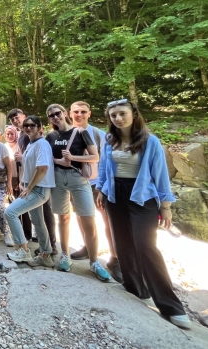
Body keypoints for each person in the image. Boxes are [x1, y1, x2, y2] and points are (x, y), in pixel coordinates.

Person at [98, 99, 190, 329]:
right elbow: (104, 168)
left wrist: (165, 206)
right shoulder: (109, 140)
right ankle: (135, 288)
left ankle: (171, 306)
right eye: (113, 116)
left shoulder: (150, 141)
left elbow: (160, 174)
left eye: (122, 114)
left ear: (134, 114)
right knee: (122, 244)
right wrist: (101, 190)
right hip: (114, 196)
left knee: (145, 246)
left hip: (142, 197)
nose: (118, 119)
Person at [45, 104, 111, 281]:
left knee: (88, 219)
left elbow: (95, 157)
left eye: (58, 113)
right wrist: (58, 160)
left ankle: (94, 261)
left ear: (65, 113)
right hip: (58, 179)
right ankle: (65, 254)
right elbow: (48, 158)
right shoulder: (50, 136)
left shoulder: (81, 132)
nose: (55, 117)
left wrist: (73, 158)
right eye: (51, 116)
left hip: (78, 178)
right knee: (63, 218)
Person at [69, 101, 123, 283]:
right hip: (76, 183)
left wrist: (103, 186)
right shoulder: (68, 133)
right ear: (70, 113)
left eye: (83, 111)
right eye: (76, 111)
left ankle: (115, 258)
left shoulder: (99, 134)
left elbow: (108, 162)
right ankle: (87, 247)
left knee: (108, 221)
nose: (79, 115)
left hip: (97, 185)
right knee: (82, 219)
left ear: (89, 113)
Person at [4, 116, 55, 267]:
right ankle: (46, 255)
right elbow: (31, 167)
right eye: (26, 125)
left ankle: (23, 250)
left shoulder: (42, 144)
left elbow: (42, 168)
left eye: (33, 125)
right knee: (38, 222)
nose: (28, 127)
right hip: (32, 187)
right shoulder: (32, 144)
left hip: (38, 189)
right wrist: (23, 182)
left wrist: (29, 187)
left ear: (40, 128)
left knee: (10, 212)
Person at [4, 125, 32, 241]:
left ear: (16, 134)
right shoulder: (4, 147)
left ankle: (27, 233)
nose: (10, 136)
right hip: (10, 179)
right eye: (8, 134)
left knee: (23, 207)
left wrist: (22, 180)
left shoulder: (20, 146)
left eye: (12, 133)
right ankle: (17, 233)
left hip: (21, 178)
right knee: (12, 206)